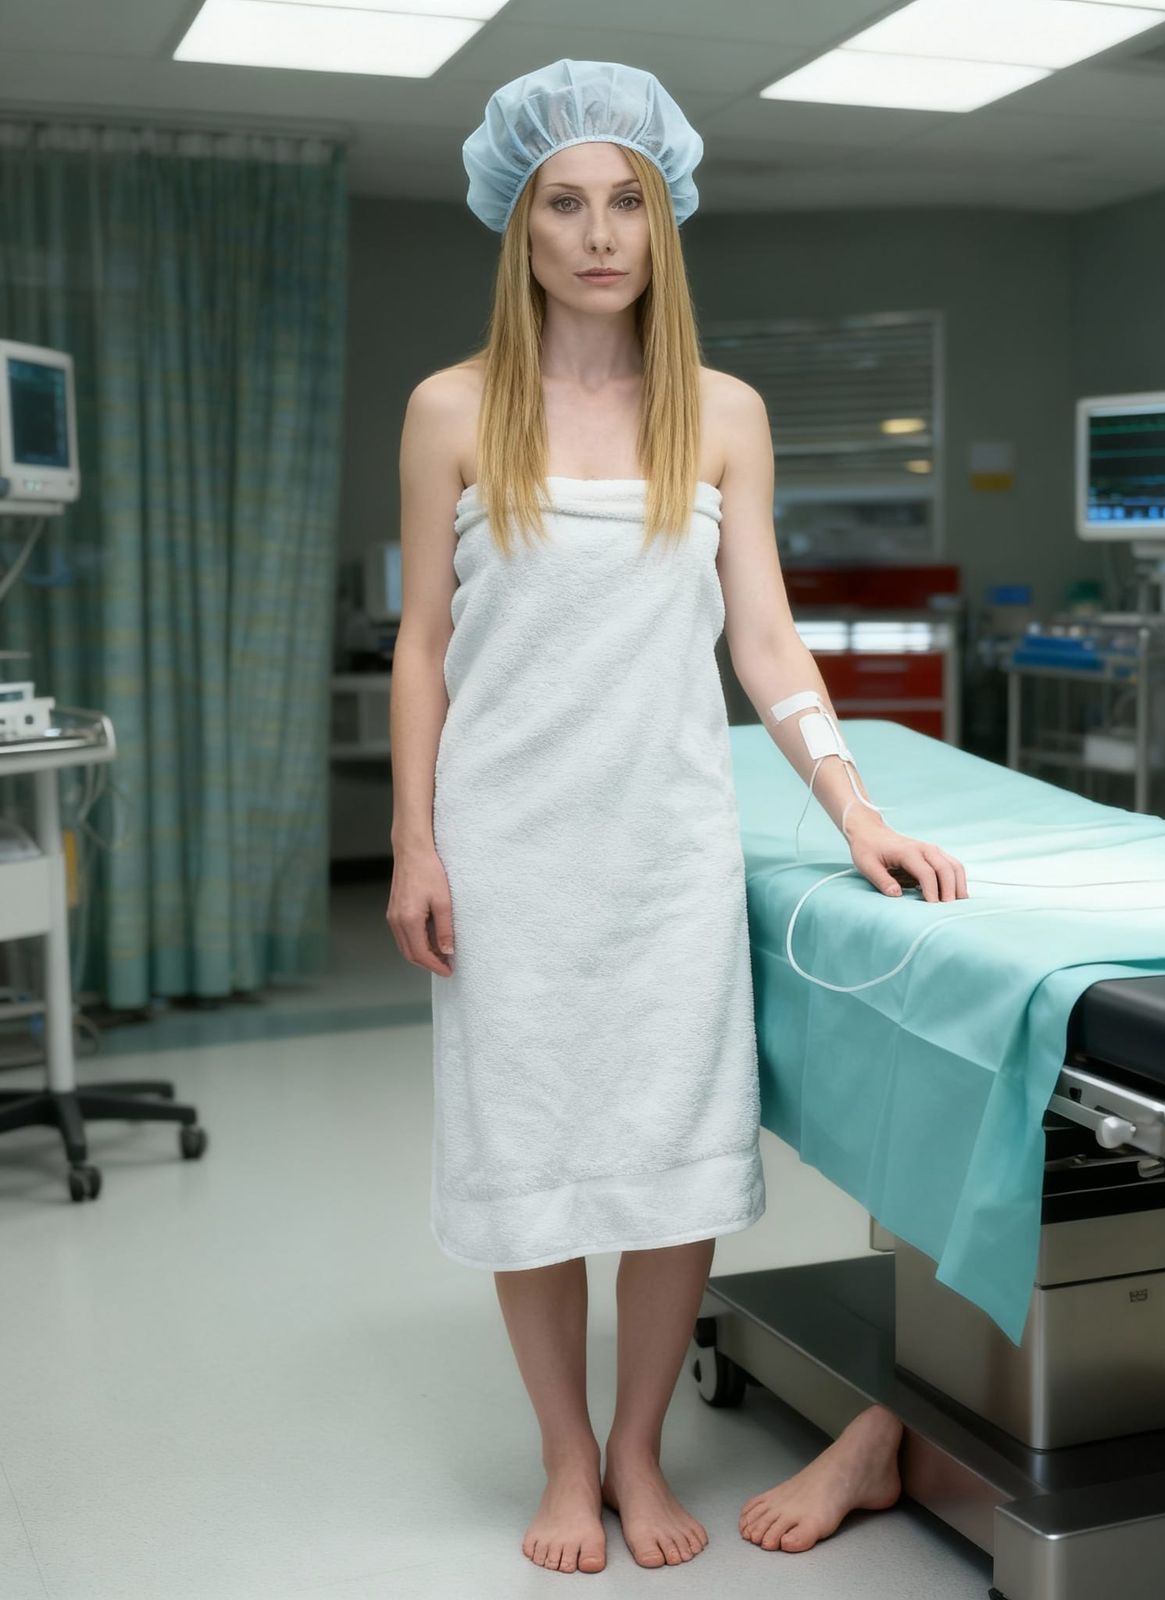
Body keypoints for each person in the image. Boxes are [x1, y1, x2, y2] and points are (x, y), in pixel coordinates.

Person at [386, 60, 968, 1577]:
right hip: (508, 854)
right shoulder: (452, 410)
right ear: (519, 228)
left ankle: (639, 1447)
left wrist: (851, 806)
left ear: (664, 222)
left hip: (665, 856)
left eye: (625, 202)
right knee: (530, 1168)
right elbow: (424, 648)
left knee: (665, 1158)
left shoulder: (722, 414)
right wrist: (415, 842)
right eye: (564, 204)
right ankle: (565, 1461)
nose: (598, 232)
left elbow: (765, 641)